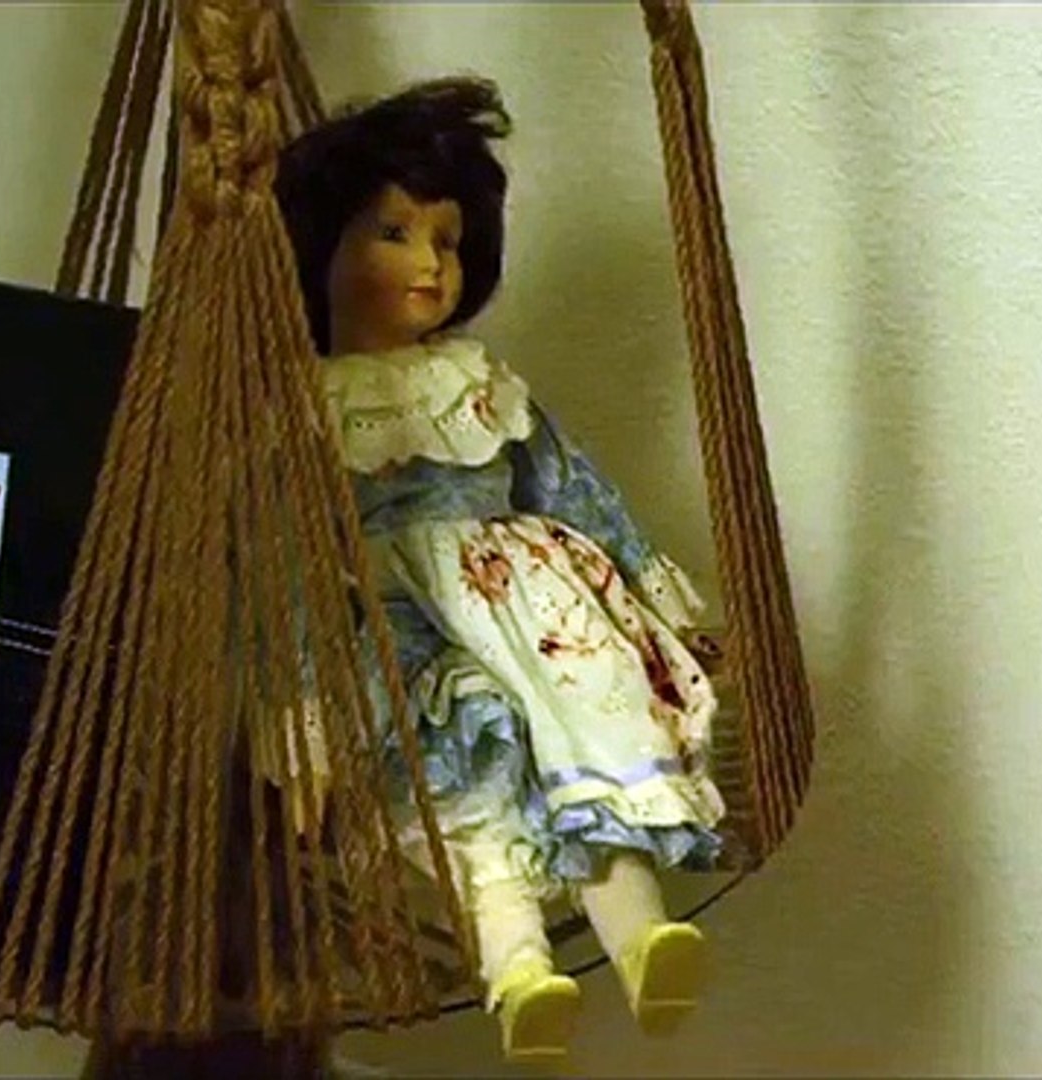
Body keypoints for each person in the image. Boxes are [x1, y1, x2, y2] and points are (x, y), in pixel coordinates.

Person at [274, 75, 723, 1064]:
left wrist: (654, 591)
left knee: (581, 732)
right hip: (403, 617)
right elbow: (296, 561)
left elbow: (568, 485)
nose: (430, 265)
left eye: (447, 240)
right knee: (462, 770)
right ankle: (517, 970)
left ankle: (641, 938)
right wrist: (305, 716)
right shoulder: (302, 409)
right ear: (323, 245)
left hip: (527, 600)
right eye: (396, 233)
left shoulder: (475, 379)